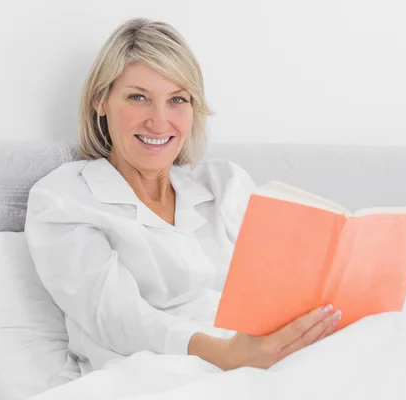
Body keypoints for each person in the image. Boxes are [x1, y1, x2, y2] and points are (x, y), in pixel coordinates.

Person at [24, 18, 341, 375]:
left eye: (177, 99)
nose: (160, 122)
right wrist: (223, 353)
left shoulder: (225, 184)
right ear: (101, 100)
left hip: (273, 357)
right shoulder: (64, 199)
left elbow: (285, 280)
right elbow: (114, 316)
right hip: (165, 373)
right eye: (138, 97)